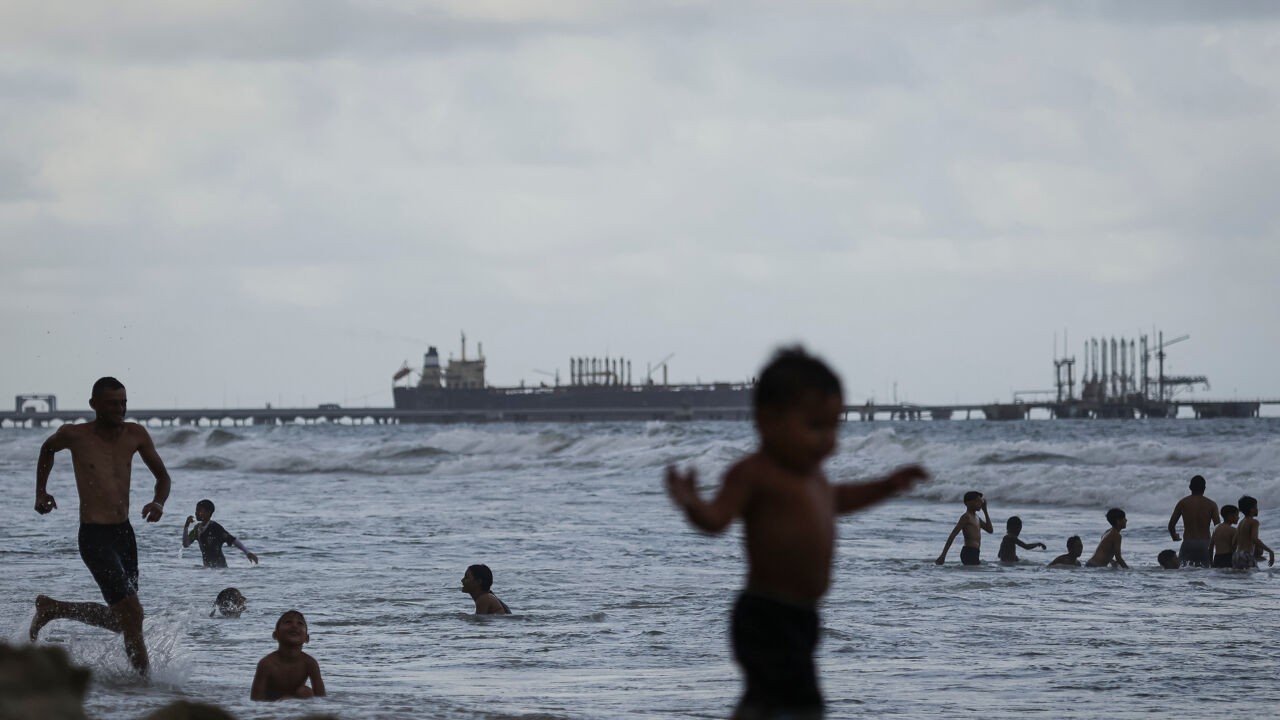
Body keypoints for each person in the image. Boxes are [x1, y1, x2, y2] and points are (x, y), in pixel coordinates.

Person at [665, 347, 928, 719]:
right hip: (765, 614)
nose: (827, 440)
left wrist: (885, 486)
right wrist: (693, 504)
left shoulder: (814, 478)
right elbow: (718, 519)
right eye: (814, 426)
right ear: (767, 420)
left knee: (770, 701)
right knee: (801, 703)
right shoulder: (754, 473)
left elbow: (839, 499)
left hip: (802, 615)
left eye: (834, 427)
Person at [28, 377, 172, 675]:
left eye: (124, 402)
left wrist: (158, 502)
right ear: (94, 405)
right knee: (133, 614)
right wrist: (41, 492)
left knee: (127, 619)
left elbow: (163, 478)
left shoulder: (136, 434)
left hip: (124, 535)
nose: (120, 409)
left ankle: (54, 608)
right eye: (113, 403)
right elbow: (47, 449)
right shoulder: (75, 435)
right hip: (94, 536)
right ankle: (144, 685)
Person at [250, 610, 326, 701]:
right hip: (272, 707)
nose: (294, 626)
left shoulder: (310, 663)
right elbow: (255, 700)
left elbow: (322, 699)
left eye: (300, 623)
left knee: (305, 692)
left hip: (298, 707)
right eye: (288, 622)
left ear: (307, 638)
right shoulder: (267, 664)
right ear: (275, 635)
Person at [182, 499, 259, 568]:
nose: (196, 513)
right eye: (196, 510)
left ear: (208, 512)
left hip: (220, 569)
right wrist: (186, 526)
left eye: (199, 510)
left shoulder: (215, 527)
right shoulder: (197, 529)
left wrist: (247, 552)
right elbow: (186, 544)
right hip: (207, 569)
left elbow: (232, 540)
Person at [1167, 474, 1221, 567]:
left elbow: (1171, 525)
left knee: (1183, 571)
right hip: (1205, 544)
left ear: (1190, 487)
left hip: (1188, 542)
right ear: (1204, 488)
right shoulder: (1211, 504)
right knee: (1206, 571)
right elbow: (1218, 528)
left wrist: (1174, 536)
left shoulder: (1183, 503)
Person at [935, 491, 993, 566]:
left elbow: (990, 530)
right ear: (968, 503)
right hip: (968, 551)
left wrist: (985, 511)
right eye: (977, 501)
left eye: (980, 501)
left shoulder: (977, 518)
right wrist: (943, 555)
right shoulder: (966, 517)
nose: (980, 503)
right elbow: (953, 535)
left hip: (975, 552)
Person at [1232, 496, 1275, 570]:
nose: (1257, 509)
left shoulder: (1240, 523)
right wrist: (1270, 551)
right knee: (1251, 579)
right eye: (1256, 507)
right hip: (1247, 554)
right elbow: (1254, 539)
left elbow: (1234, 542)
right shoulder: (1254, 522)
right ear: (1252, 509)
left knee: (1240, 579)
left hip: (1237, 555)